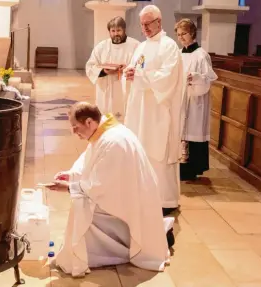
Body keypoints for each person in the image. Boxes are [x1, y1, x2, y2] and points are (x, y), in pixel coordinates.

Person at [48, 102, 174, 278]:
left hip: (131, 201)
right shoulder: (104, 131)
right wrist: (72, 174)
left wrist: (70, 187)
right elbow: (92, 160)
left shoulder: (114, 142)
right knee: (81, 200)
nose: (75, 133)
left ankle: (100, 252)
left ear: (90, 122)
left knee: (83, 208)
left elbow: (101, 186)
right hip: (127, 194)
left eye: (76, 128)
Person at [123, 5, 185, 216]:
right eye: (142, 24)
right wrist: (129, 74)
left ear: (159, 22)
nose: (145, 28)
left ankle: (165, 199)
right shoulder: (141, 47)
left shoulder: (169, 47)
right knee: (140, 149)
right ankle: (144, 195)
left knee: (159, 152)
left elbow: (168, 78)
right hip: (140, 110)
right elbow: (134, 70)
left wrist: (141, 76)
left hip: (159, 111)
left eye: (148, 24)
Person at [175, 18, 218, 181]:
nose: (181, 37)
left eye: (184, 34)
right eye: (178, 35)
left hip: (195, 101)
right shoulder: (178, 54)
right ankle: (181, 166)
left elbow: (208, 79)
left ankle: (192, 168)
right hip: (181, 99)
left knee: (192, 132)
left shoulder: (201, 55)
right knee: (180, 132)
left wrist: (195, 78)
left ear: (192, 33)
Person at [85, 16, 140, 122]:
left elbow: (142, 66)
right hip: (107, 90)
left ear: (124, 30)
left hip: (127, 90)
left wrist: (128, 68)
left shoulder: (135, 45)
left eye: (118, 30)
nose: (116, 34)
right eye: (113, 31)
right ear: (109, 31)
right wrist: (103, 71)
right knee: (106, 119)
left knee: (126, 120)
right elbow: (90, 66)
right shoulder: (101, 47)